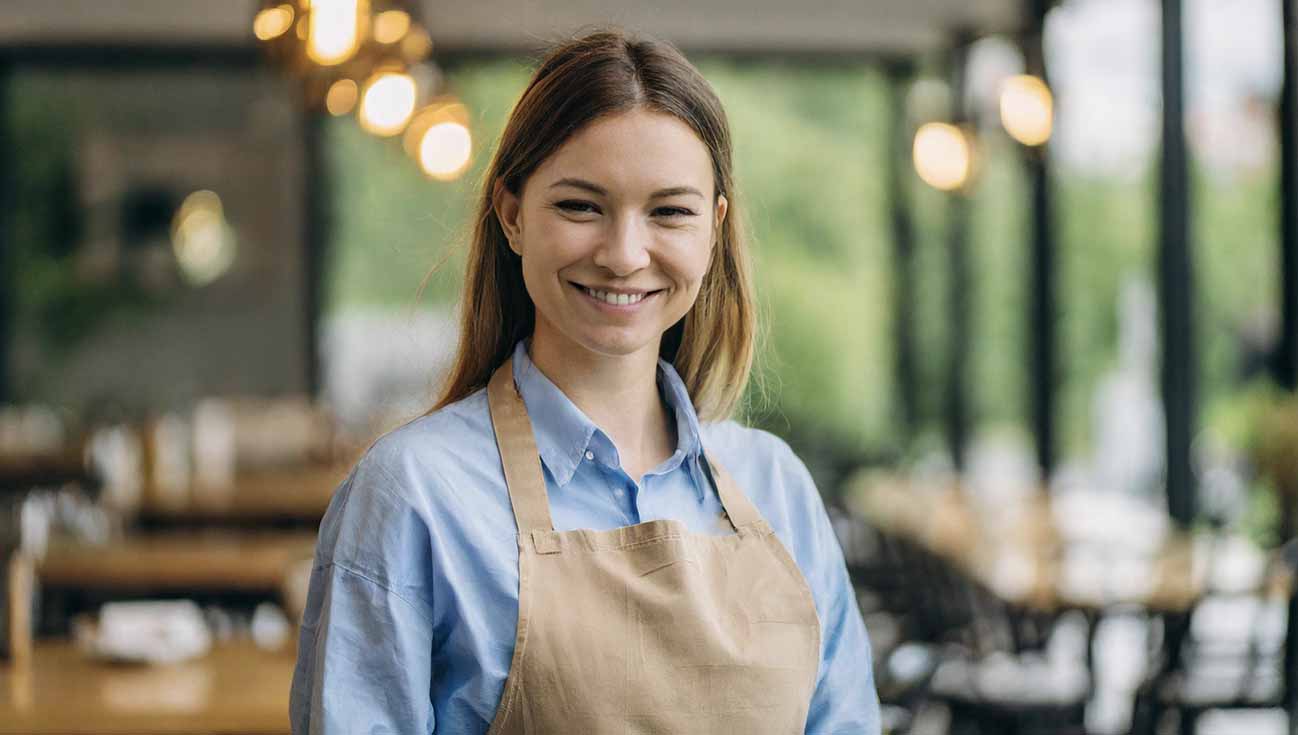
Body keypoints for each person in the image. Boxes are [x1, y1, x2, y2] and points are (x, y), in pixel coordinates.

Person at [290, 28, 881, 734]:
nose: (625, 254)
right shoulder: (413, 494)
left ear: (714, 230)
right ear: (513, 215)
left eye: (670, 211)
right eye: (580, 206)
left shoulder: (777, 487)